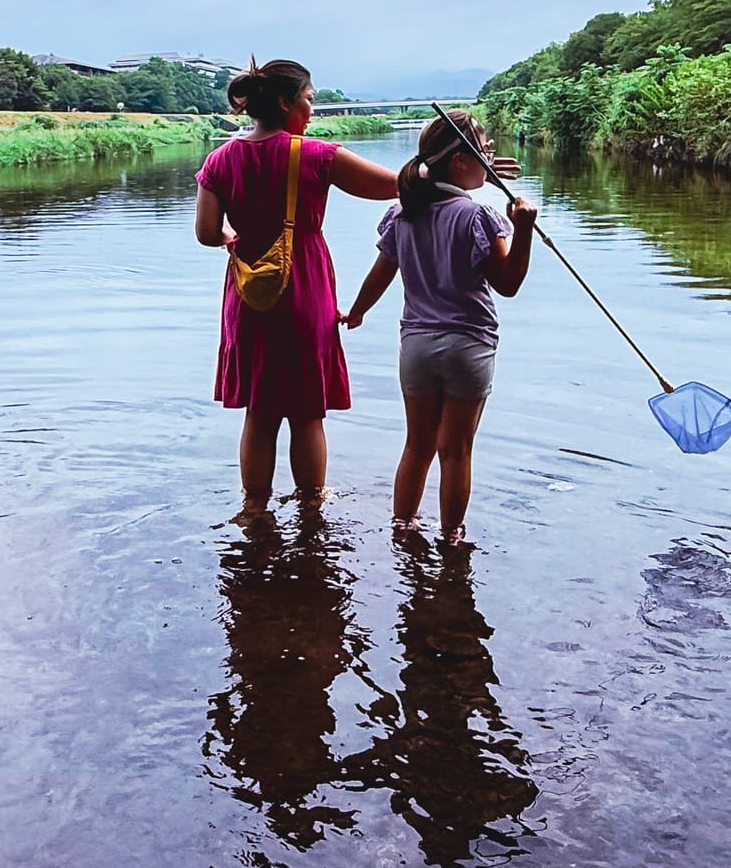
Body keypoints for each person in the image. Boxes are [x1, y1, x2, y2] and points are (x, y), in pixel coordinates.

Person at [193, 59, 403, 509]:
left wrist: (233, 237)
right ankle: (312, 509)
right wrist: (447, 167)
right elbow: (391, 186)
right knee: (308, 412)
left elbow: (207, 232)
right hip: (304, 288)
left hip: (249, 294)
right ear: (286, 102)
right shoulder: (315, 155)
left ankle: (254, 510)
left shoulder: (219, 159)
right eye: (308, 102)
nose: (312, 112)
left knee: (260, 412)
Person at [341, 109, 536, 542]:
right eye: (483, 152)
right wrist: (523, 230)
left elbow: (381, 272)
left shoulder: (402, 213)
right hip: (470, 345)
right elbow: (507, 284)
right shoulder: (478, 217)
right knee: (456, 451)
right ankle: (452, 538)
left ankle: (402, 526)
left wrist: (357, 311)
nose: (490, 158)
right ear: (460, 162)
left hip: (417, 347)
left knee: (418, 445)